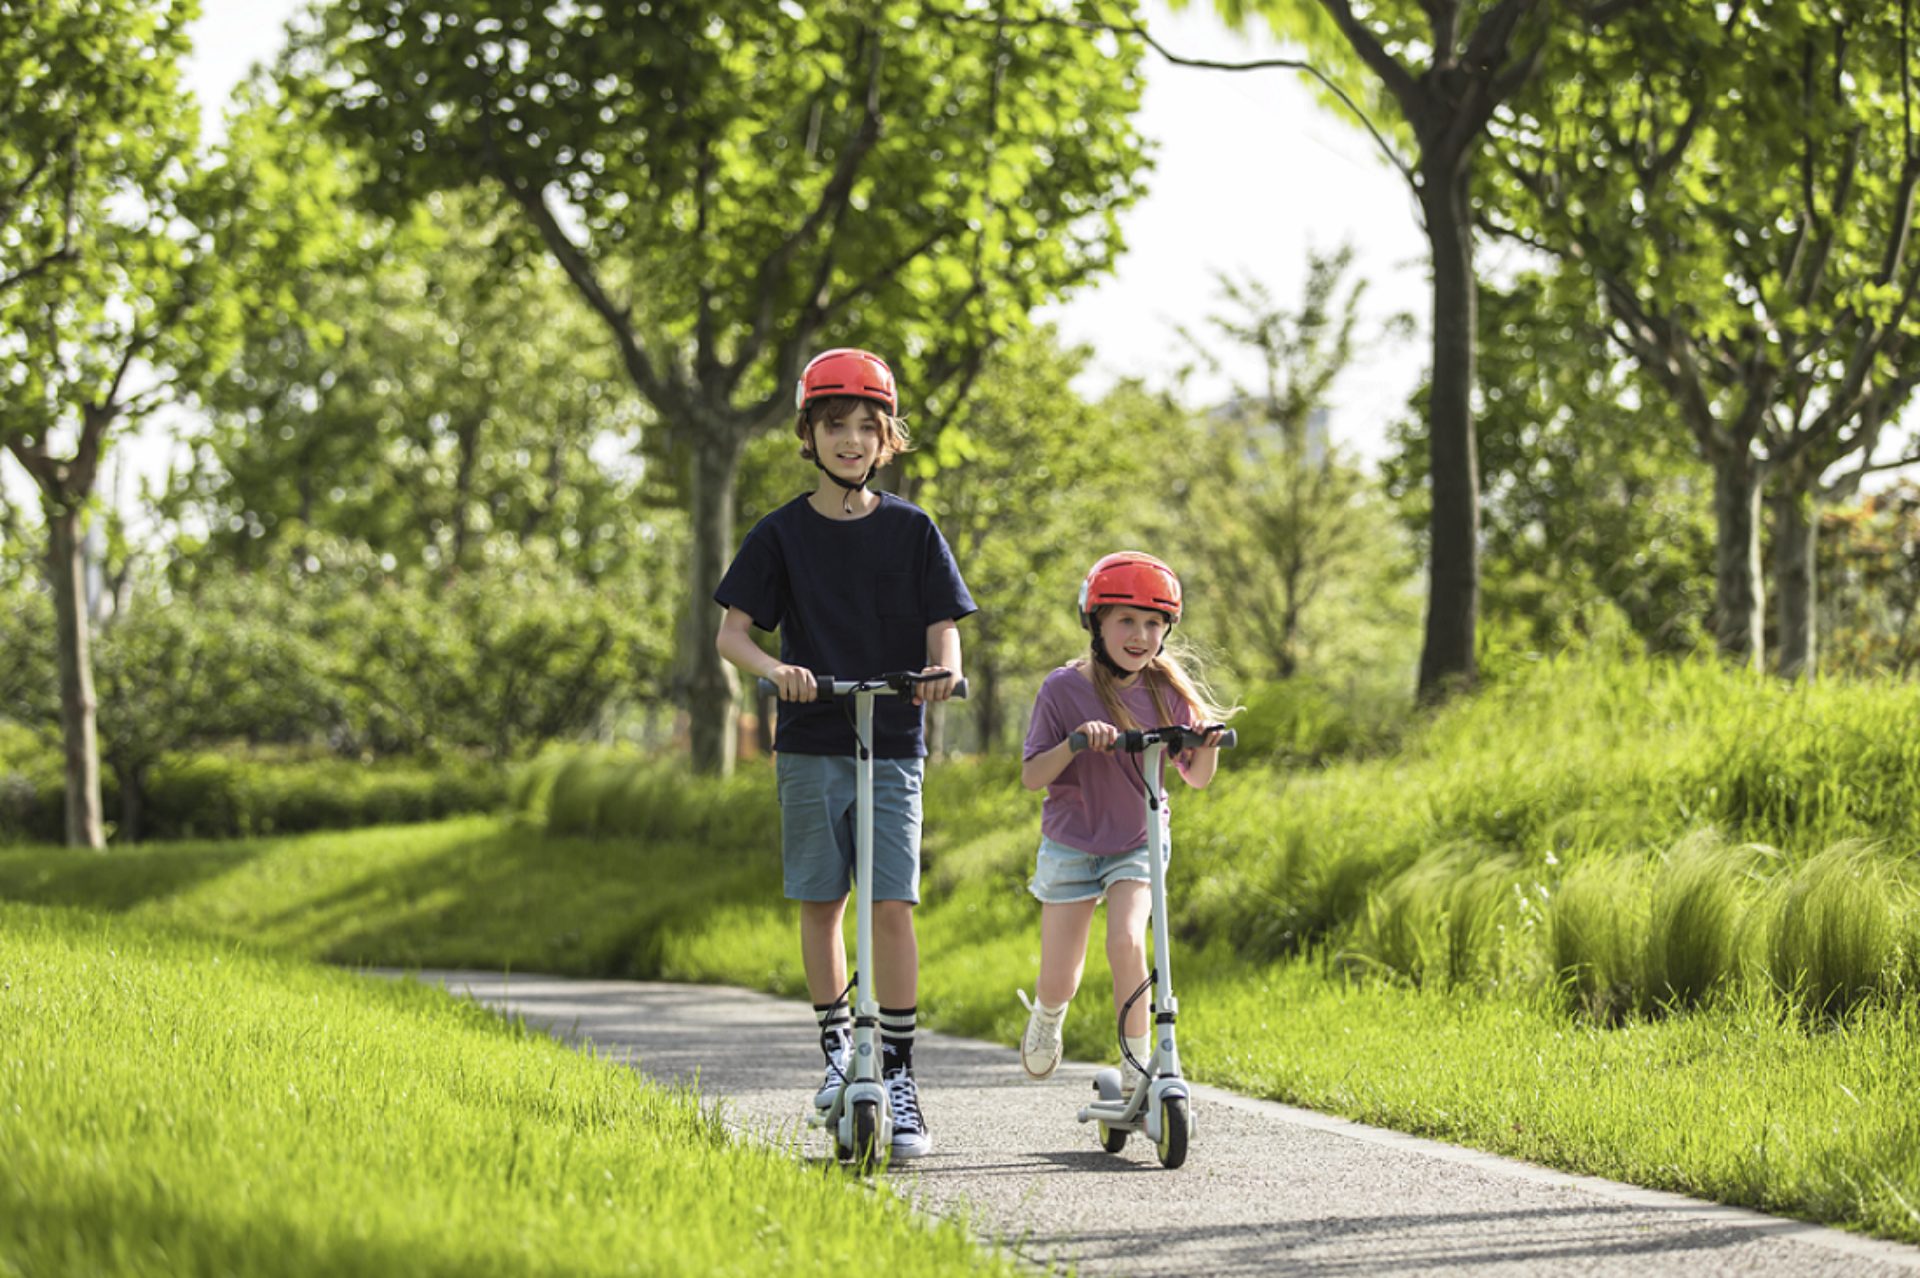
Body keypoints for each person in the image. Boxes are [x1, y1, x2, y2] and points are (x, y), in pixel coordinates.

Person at [713, 347, 975, 1161]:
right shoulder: (780, 535)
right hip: (812, 738)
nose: (852, 441)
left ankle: (895, 1071)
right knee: (823, 902)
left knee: (891, 906)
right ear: (810, 434)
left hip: (894, 741)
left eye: (867, 427)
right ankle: (837, 1056)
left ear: (886, 438)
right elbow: (731, 636)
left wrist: (944, 675)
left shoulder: (914, 530)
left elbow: (946, 633)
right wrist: (776, 671)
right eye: (836, 426)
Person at [1016, 551, 1234, 1092]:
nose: (1141, 636)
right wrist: (1074, 743)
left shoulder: (1167, 692)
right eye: (1127, 621)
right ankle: (1047, 1016)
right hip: (1071, 844)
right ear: (1096, 623)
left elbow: (1197, 778)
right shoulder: (1062, 689)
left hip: (1137, 839)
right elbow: (1031, 776)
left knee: (1127, 943)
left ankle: (1139, 1063)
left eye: (1154, 624)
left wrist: (1206, 744)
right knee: (1060, 976)